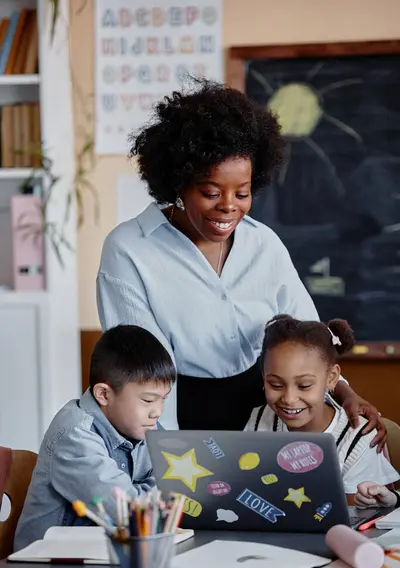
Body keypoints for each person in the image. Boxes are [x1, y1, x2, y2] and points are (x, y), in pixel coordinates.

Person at [97, 78, 385, 445]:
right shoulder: (129, 250)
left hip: (266, 412)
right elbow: (143, 370)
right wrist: (164, 454)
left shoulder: (263, 243)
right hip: (179, 412)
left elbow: (308, 335)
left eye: (243, 193)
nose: (229, 206)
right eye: (210, 192)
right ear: (177, 183)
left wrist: (342, 390)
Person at [15, 325, 175, 550]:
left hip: (105, 554)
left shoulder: (145, 425)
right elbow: (131, 513)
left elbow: (177, 489)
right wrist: (162, 492)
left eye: (164, 399)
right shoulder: (75, 435)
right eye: (148, 400)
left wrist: (166, 491)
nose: (157, 411)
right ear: (104, 394)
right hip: (48, 564)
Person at [245, 315, 398, 502]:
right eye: (276, 385)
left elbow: (355, 516)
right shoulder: (259, 420)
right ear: (263, 377)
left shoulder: (358, 440)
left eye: (304, 386)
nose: (289, 399)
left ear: (332, 377)